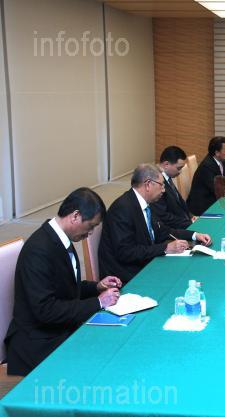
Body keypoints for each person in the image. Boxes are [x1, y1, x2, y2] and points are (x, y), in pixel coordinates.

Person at [4, 188, 122, 376]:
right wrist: (98, 302)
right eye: (91, 226)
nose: (91, 233)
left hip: (55, 328)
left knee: (113, 341)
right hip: (38, 340)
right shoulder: (39, 250)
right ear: (75, 216)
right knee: (101, 359)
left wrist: (96, 287)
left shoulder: (60, 239)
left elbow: (65, 287)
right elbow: (46, 310)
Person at [100, 164, 212, 282]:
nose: (164, 190)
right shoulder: (123, 208)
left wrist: (194, 235)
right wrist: (166, 248)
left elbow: (164, 231)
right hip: (128, 274)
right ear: (148, 184)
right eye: (161, 185)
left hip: (145, 262)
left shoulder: (145, 204)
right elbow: (126, 252)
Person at [150, 146, 193, 229]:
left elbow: (179, 202)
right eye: (179, 168)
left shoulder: (168, 178)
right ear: (166, 164)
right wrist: (188, 223)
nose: (180, 171)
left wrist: (190, 217)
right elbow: (163, 216)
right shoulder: (156, 183)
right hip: (172, 229)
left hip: (183, 221)